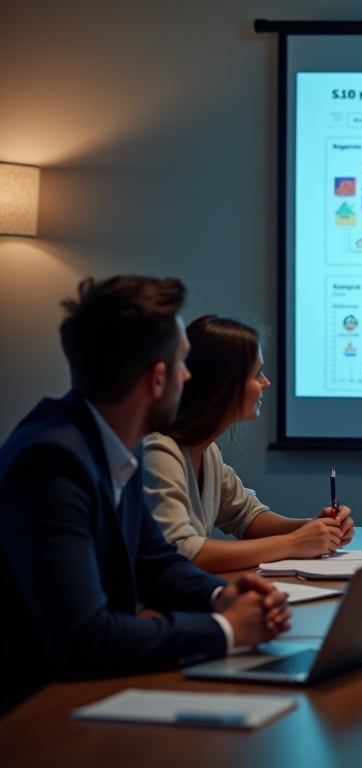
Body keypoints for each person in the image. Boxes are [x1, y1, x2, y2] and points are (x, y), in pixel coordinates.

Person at [0, 277, 291, 714]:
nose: (189, 376)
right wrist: (227, 630)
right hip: (36, 711)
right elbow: (86, 637)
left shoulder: (113, 441)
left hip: (84, 690)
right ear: (158, 378)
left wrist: (221, 597)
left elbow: (155, 562)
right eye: (183, 363)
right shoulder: (51, 463)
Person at [142, 315, 355, 572]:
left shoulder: (207, 452)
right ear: (224, 384)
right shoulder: (159, 453)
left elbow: (247, 517)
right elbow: (183, 552)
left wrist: (314, 528)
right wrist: (294, 543)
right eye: (257, 374)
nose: (266, 383)